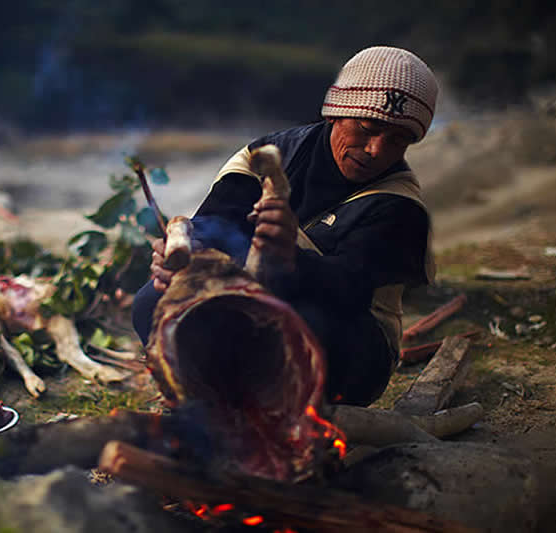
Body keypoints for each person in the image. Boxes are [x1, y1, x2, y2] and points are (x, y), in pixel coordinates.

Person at [132, 46, 437, 406]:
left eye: (398, 140)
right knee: (152, 299)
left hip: (351, 348)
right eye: (367, 128)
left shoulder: (401, 206)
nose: (376, 149)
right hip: (250, 307)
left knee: (302, 322)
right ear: (338, 113)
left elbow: (349, 290)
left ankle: (274, 412)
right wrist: (180, 260)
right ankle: (214, 396)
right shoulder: (265, 155)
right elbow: (213, 227)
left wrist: (287, 259)